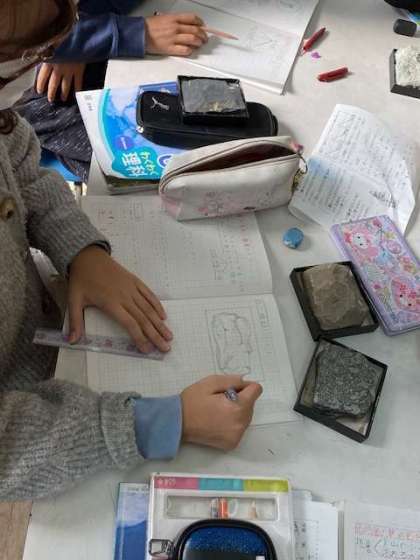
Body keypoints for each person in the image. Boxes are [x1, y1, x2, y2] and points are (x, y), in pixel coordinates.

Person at [0, 0, 262, 501]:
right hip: (37, 421)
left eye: (44, 49)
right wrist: (155, 423)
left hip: (40, 332)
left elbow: (22, 167)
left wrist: (80, 250)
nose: (39, 67)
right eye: (22, 57)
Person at [15, 0, 208, 181]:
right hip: (33, 84)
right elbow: (20, 30)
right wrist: (135, 33)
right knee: (151, 163)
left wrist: (80, 31)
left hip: (94, 31)